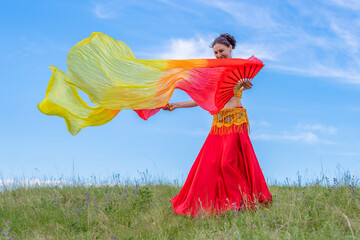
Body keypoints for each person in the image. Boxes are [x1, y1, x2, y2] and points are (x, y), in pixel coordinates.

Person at [164, 33, 273, 217]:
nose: (218, 55)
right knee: (211, 163)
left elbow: (243, 85)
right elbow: (202, 99)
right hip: (219, 123)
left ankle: (237, 202)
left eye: (221, 51)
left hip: (236, 121)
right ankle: (215, 204)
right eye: (215, 53)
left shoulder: (239, 70)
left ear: (230, 48)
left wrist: (244, 85)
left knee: (229, 162)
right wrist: (176, 105)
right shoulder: (214, 73)